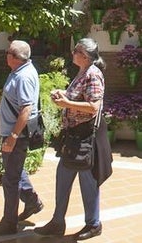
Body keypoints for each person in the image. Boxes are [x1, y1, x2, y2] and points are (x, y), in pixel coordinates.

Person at [36, 38, 112, 240]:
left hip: (85, 137)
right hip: (74, 137)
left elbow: (94, 107)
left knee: (88, 182)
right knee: (63, 177)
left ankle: (94, 224)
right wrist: (63, 95)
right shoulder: (82, 72)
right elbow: (78, 98)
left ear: (85, 56)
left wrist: (67, 103)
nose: (72, 53)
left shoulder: (93, 75)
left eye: (75, 51)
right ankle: (57, 221)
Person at [0, 40, 44, 234]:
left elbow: (26, 109)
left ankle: (9, 223)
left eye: (7, 52)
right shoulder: (19, 71)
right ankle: (32, 201)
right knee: (15, 170)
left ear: (14, 57)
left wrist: (12, 136)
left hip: (17, 135)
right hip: (13, 133)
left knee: (10, 179)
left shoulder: (24, 77)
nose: (5, 55)